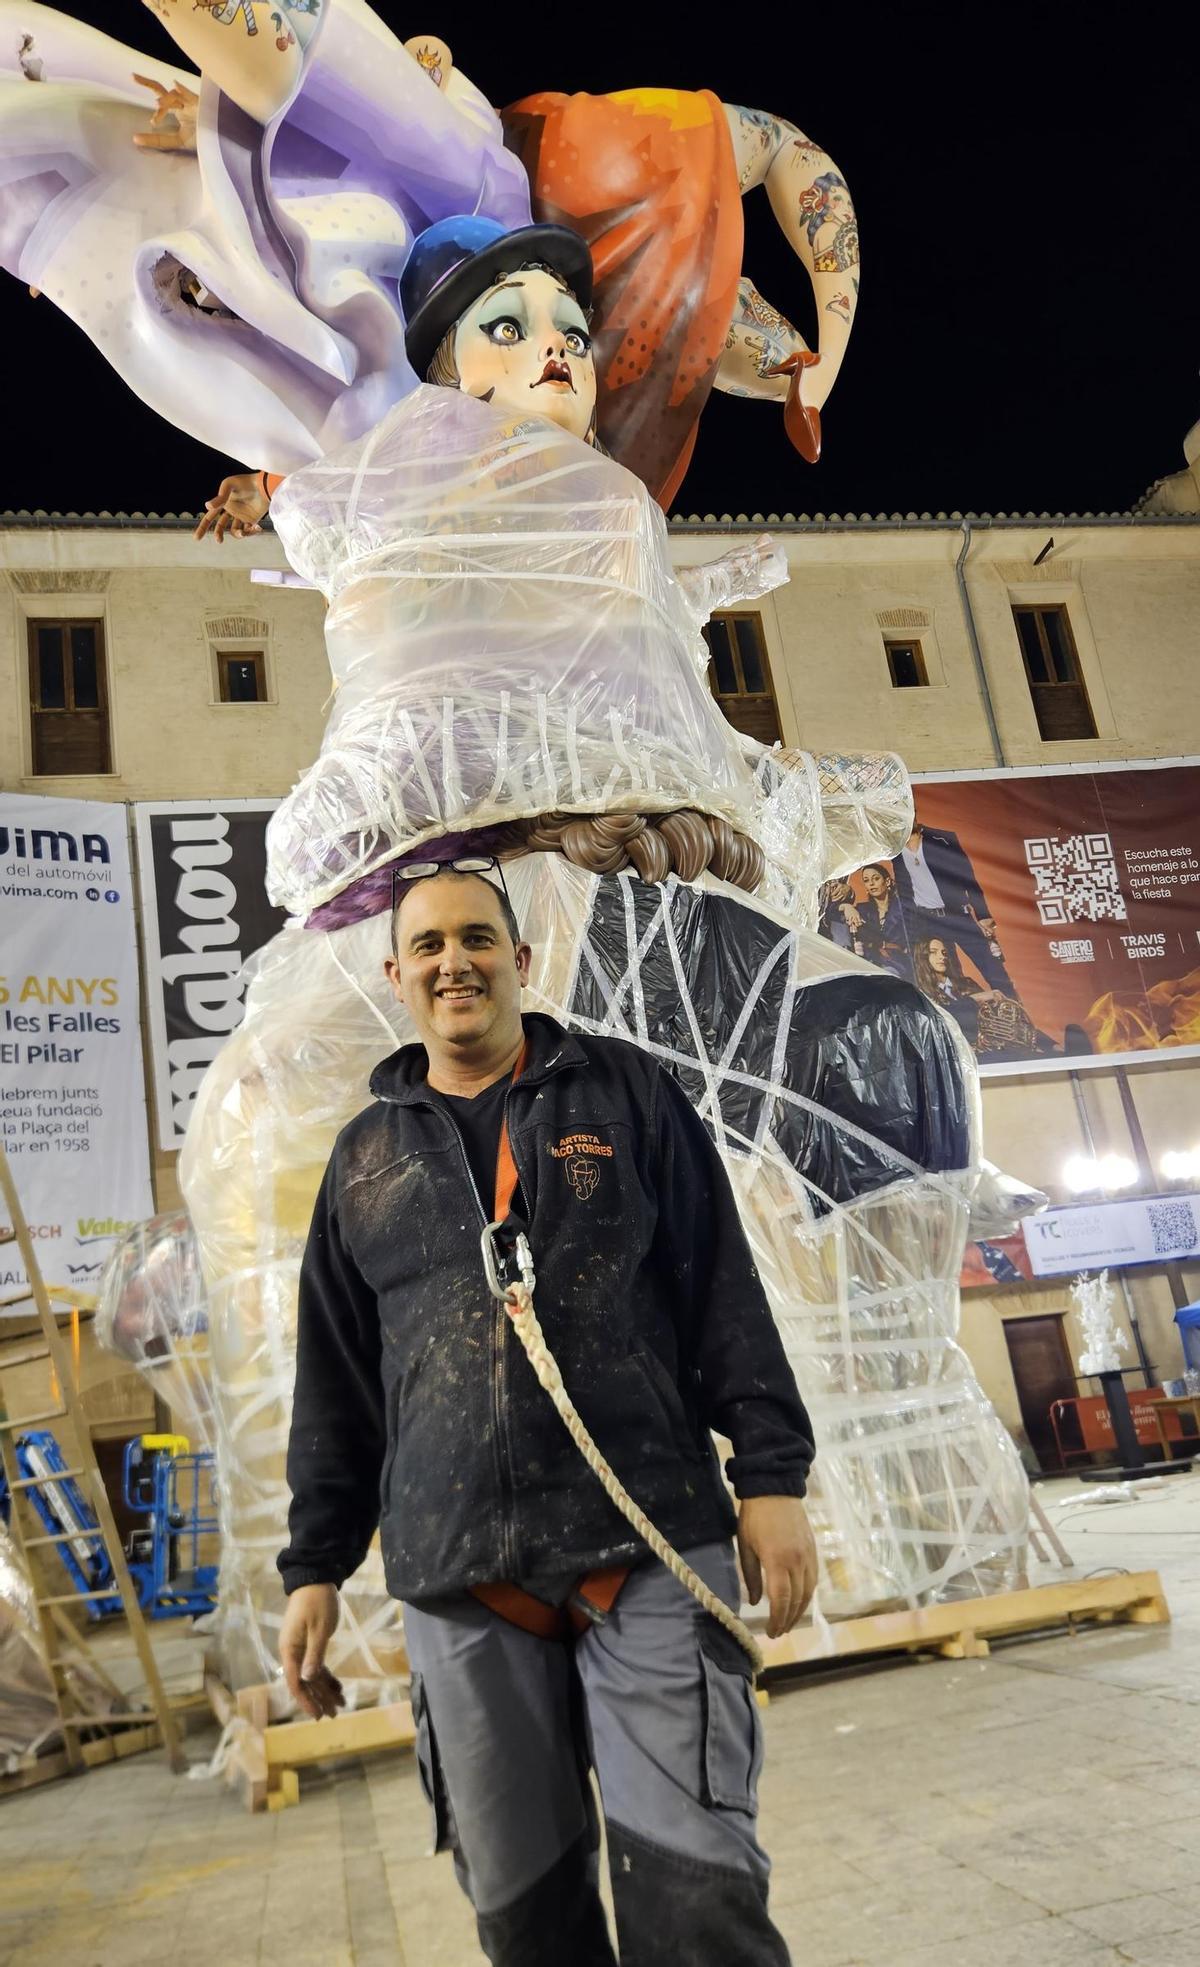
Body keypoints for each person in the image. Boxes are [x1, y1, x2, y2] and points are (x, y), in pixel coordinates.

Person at [277, 861, 817, 1967]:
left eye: (477, 937)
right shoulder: (363, 1162)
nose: (453, 962)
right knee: (525, 1923)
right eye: (426, 946)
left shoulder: (623, 1094)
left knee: (699, 1898)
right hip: (460, 1565)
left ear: (520, 959)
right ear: (397, 974)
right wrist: (313, 1566)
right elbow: (334, 1383)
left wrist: (770, 1476)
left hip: (649, 1543)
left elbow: (718, 1284)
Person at [892, 822, 1018, 994]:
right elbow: (904, 893)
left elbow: (968, 878)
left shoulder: (942, 838)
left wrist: (982, 914)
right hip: (928, 922)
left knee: (993, 970)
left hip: (957, 915)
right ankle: (966, 1017)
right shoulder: (895, 850)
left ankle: (1017, 1016)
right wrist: (911, 933)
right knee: (949, 977)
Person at [853, 862, 910, 975]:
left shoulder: (901, 907)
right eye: (866, 880)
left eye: (876, 878)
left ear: (887, 881)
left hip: (899, 963)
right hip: (870, 961)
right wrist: (847, 907)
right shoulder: (862, 909)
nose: (871, 883)